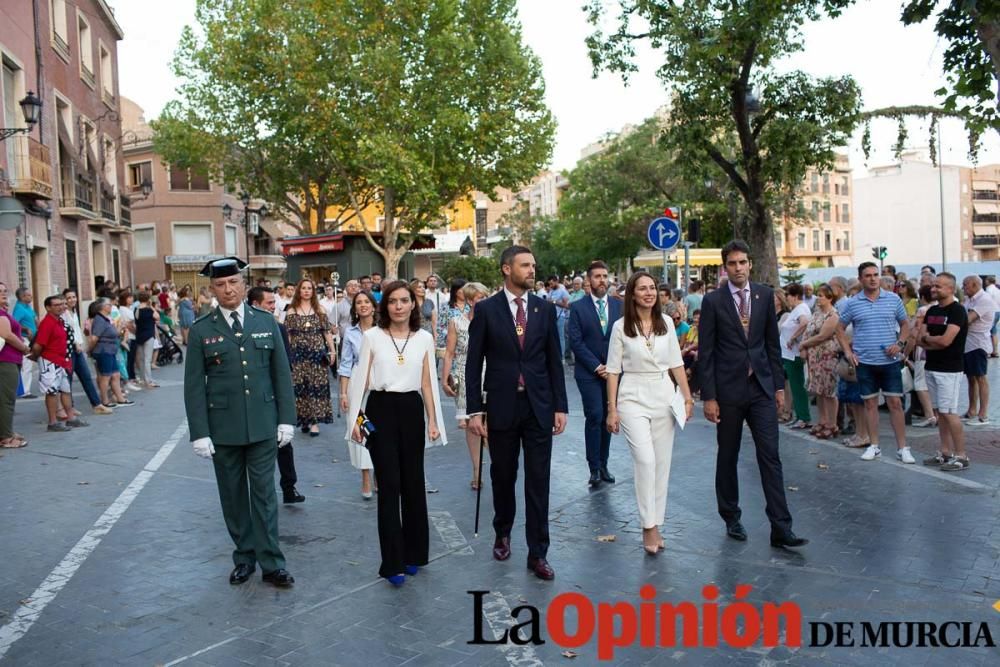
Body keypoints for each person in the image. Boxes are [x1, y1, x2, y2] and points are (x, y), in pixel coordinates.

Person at [183, 257, 296, 588]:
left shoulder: (266, 322)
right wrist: (199, 433)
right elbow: (193, 386)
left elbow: (281, 376)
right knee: (232, 496)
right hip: (223, 429)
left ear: (244, 284)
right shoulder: (202, 330)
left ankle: (272, 563)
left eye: (233, 282)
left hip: (263, 424)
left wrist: (286, 419)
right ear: (213, 289)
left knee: (264, 495)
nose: (228, 289)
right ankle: (244, 557)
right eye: (220, 284)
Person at [465, 245, 569, 580]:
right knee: (503, 475)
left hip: (538, 406)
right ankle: (502, 531)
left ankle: (538, 553)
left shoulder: (544, 309)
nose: (532, 270)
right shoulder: (486, 310)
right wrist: (475, 411)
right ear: (506, 269)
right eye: (525, 265)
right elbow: (472, 364)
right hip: (501, 405)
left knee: (539, 481)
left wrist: (560, 406)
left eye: (533, 265)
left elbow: (555, 361)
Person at [699, 240, 807, 549]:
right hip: (728, 390)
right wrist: (709, 396)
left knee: (770, 456)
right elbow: (706, 352)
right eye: (732, 263)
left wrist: (777, 387)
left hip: (760, 388)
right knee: (728, 455)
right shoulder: (714, 301)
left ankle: (781, 527)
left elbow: (772, 345)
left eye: (743, 262)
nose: (738, 268)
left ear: (750, 264)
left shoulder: (763, 296)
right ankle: (731, 515)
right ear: (725, 267)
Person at [345, 281, 445, 586]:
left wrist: (433, 419)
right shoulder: (372, 337)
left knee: (413, 483)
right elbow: (361, 381)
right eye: (393, 301)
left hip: (412, 410)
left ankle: (414, 553)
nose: (399, 306)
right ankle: (393, 562)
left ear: (413, 304)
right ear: (384, 306)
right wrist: (356, 423)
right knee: (389, 486)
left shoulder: (425, 338)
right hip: (380, 410)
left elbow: (427, 383)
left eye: (404, 300)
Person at [605, 271, 693, 555]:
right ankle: (647, 526)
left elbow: (676, 363)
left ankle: (657, 522)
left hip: (663, 396)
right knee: (645, 460)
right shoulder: (620, 327)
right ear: (632, 294)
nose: (649, 293)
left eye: (652, 288)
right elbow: (613, 370)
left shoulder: (666, 322)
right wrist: (612, 409)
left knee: (661, 463)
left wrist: (688, 397)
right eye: (642, 288)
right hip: (632, 397)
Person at [838, 262, 913, 463]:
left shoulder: (893, 299)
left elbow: (906, 324)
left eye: (875, 274)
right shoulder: (853, 303)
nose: (872, 278)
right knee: (870, 404)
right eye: (868, 275)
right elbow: (839, 329)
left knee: (895, 403)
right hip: (865, 362)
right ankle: (874, 445)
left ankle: (903, 448)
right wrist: (848, 352)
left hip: (890, 361)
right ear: (861, 278)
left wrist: (900, 343)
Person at [567, 261, 623, 487]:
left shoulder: (619, 306)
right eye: (597, 276)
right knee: (595, 416)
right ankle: (594, 468)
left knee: (608, 416)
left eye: (605, 276)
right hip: (589, 373)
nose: (602, 280)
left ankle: (604, 464)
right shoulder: (578, 307)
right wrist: (596, 366)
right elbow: (576, 342)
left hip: (614, 372)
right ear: (589, 281)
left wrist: (612, 367)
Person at [248, 287, 305, 503]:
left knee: (284, 444)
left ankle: (289, 488)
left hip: (275, 397)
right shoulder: (243, 330)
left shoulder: (279, 328)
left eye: (274, 302)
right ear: (255, 304)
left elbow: (286, 364)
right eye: (270, 303)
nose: (274, 307)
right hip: (254, 399)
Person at [918, 273, 971, 471]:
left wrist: (929, 340)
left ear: (950, 288)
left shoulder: (958, 311)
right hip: (932, 366)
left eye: (938, 286)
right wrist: (932, 340)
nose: (934, 289)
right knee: (940, 412)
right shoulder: (931, 310)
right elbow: (919, 338)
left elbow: (946, 341)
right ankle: (945, 451)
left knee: (949, 412)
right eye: (933, 286)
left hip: (950, 369)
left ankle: (962, 455)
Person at [442, 282, 491, 489]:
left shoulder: (494, 320)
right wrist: (445, 379)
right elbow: (450, 353)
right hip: (465, 372)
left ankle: (498, 465)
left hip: (490, 371)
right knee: (471, 425)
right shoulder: (457, 322)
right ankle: (477, 471)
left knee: (490, 422)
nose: (484, 300)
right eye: (480, 297)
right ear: (471, 300)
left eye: (485, 296)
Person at [339, 290, 379, 499]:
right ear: (354, 308)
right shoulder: (350, 333)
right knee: (361, 427)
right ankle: (365, 476)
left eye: (366, 302)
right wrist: (343, 394)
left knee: (379, 429)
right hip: (357, 385)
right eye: (358, 303)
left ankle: (379, 472)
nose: (363, 305)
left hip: (380, 383)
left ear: (373, 305)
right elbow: (345, 365)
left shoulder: (384, 330)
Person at [285, 279, 336, 437]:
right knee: (301, 388)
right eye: (303, 288)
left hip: (317, 354)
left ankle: (315, 422)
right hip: (298, 354)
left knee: (316, 387)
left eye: (309, 288)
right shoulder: (291, 310)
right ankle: (304, 420)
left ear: (313, 291)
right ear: (299, 291)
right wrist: (287, 356)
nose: (306, 291)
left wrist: (332, 351)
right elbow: (288, 335)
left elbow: (327, 332)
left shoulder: (320, 309)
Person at [31, 295, 87, 432]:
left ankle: (71, 418)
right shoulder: (47, 323)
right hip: (49, 361)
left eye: (62, 304)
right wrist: (36, 357)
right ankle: (52, 422)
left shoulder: (60, 321)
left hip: (61, 361)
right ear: (48, 307)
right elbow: (38, 345)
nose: (61, 307)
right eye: (56, 305)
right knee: (51, 392)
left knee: (66, 390)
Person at [798, 284, 842, 439]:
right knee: (818, 390)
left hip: (827, 356)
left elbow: (823, 335)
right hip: (814, 357)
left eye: (822, 295)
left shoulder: (833, 315)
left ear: (830, 298)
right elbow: (808, 330)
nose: (818, 298)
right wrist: (803, 346)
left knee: (829, 391)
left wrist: (804, 344)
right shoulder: (816, 313)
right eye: (818, 295)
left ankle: (832, 423)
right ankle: (822, 420)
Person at [61, 290, 111, 416]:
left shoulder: (74, 311)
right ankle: (69, 408)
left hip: (78, 349)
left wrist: (81, 343)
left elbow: (76, 330)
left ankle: (97, 404)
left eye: (73, 297)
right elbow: (65, 332)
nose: (72, 299)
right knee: (68, 379)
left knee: (86, 377)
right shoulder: (64, 313)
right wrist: (75, 343)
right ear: (64, 300)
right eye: (69, 298)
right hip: (69, 350)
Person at [961, 275, 995, 426]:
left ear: (975, 285)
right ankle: (971, 410)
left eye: (965, 285)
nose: (963, 288)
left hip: (978, 344)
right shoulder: (970, 299)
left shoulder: (984, 300)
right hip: (968, 344)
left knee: (981, 378)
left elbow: (967, 319)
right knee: (971, 378)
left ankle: (983, 414)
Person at [88, 298, 134, 409]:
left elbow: (114, 333)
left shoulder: (106, 319)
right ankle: (104, 400)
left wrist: (120, 328)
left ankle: (120, 398)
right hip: (104, 351)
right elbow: (94, 338)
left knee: (116, 375)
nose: (111, 306)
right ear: (102, 307)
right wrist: (90, 350)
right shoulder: (99, 320)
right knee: (105, 376)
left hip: (111, 350)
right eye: (109, 305)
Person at [0, 283, 31, 447]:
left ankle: (6, 431)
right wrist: (24, 347)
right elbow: (7, 335)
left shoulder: (3, 312)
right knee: (6, 400)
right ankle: (5, 437)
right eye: (0, 292)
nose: (3, 294)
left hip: (10, 359)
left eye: (5, 291)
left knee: (5, 398)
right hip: (6, 360)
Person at [779, 284, 812, 429]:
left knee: (797, 386)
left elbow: (805, 322)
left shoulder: (801, 308)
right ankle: (800, 415)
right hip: (788, 354)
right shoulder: (796, 309)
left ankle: (804, 417)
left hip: (794, 354)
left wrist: (793, 338)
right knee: (794, 385)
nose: (787, 299)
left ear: (794, 296)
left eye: (788, 296)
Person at [12, 287, 37, 398]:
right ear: (22, 297)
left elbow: (34, 318)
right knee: (26, 365)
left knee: (29, 365)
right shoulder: (19, 309)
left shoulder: (28, 307)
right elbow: (14, 323)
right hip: (24, 339)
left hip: (32, 340)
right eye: (28, 295)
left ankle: (26, 390)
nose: (31, 296)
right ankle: (24, 391)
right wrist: (25, 329)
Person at [134, 292, 160, 388]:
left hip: (139, 335)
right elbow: (157, 317)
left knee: (141, 359)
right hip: (149, 335)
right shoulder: (149, 310)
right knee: (147, 359)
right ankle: (148, 381)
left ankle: (142, 379)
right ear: (148, 299)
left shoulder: (136, 310)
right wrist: (152, 307)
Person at [336, 280, 360, 349]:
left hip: (362, 337)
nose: (353, 287)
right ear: (346, 288)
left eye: (355, 285)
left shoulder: (364, 303)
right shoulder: (339, 305)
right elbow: (332, 324)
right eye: (350, 285)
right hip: (345, 339)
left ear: (359, 288)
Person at [984, 276, 1000, 357]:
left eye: (986, 280)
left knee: (986, 331)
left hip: (991, 312)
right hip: (998, 311)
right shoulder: (998, 290)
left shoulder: (988, 290)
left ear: (988, 281)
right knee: (994, 332)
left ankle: (987, 351)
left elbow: (986, 301)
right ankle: (995, 351)